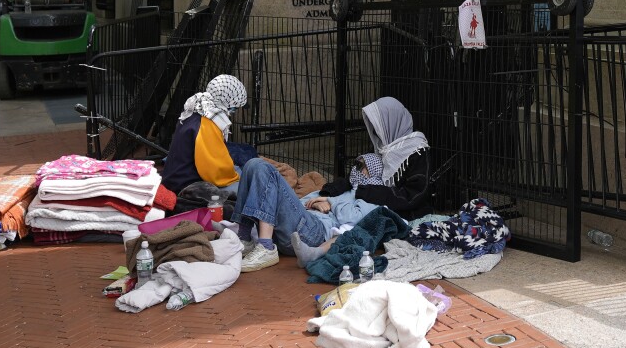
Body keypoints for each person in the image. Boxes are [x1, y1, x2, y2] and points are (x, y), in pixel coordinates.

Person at [235, 96, 430, 272]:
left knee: (264, 169)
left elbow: (410, 195)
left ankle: (265, 246)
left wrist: (331, 200)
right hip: (303, 221)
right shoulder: (381, 156)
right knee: (252, 164)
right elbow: (344, 185)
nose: (359, 172)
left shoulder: (373, 196)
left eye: (363, 170)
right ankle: (244, 236)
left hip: (314, 230)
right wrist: (321, 196)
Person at [160, 74, 248, 196]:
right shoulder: (208, 123)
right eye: (234, 108)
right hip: (183, 184)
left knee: (240, 172)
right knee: (247, 189)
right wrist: (235, 178)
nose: (233, 112)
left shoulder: (197, 108)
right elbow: (213, 169)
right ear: (227, 102)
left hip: (175, 177)